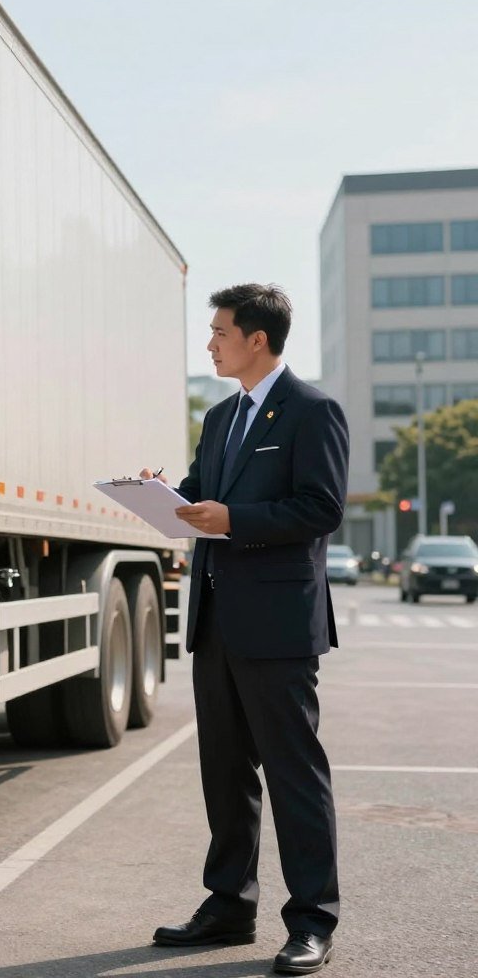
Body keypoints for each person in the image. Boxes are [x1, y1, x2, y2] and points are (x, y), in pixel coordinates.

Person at [142, 283, 349, 976]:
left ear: (256, 338)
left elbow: (320, 508)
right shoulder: (222, 415)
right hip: (215, 620)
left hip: (279, 624)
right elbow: (203, 496)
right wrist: (165, 497)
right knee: (226, 774)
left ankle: (313, 920)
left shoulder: (314, 411)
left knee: (294, 774)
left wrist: (234, 521)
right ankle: (229, 905)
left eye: (219, 332)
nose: (210, 343)